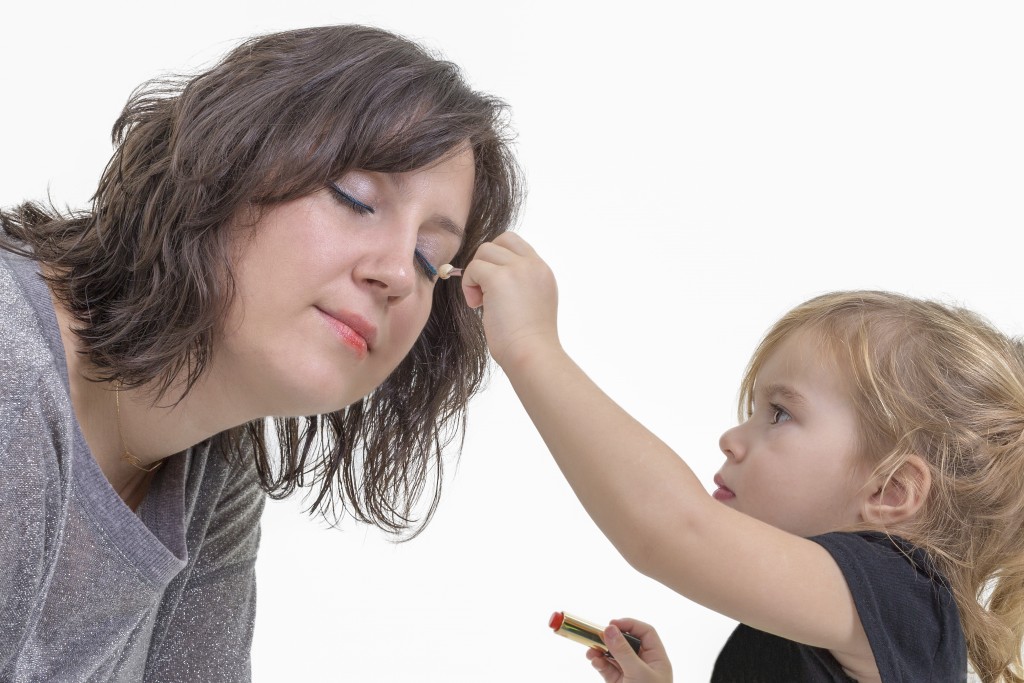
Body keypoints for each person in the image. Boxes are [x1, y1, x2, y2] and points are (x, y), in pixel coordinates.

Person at [0, 25, 520, 681]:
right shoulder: (13, 372)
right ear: (229, 155)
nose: (396, 271)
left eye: (430, 260)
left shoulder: (209, 472)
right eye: (359, 197)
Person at [462, 234, 1024, 681]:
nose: (732, 439)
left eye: (779, 413)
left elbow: (674, 530)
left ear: (889, 491)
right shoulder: (828, 624)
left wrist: (531, 345)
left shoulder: (902, 596)